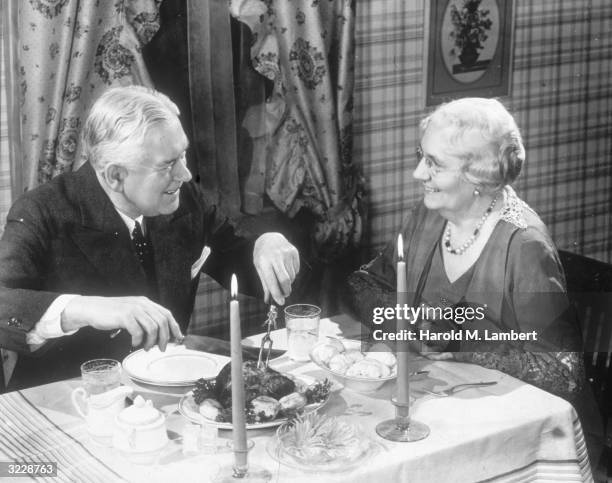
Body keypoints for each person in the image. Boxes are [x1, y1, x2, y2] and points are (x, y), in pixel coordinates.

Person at [347, 98, 603, 467]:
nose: (419, 173)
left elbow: (562, 371)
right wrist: (401, 319)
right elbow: (365, 284)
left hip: (528, 439)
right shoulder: (427, 214)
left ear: (478, 178)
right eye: (422, 155)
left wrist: (465, 345)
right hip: (443, 409)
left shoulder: (524, 246)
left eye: (434, 163)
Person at [0, 86, 300, 390]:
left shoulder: (184, 199)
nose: (184, 175)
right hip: (66, 398)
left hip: (164, 388)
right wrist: (90, 309)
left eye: (182, 155)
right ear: (115, 176)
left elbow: (236, 250)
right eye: (168, 165)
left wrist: (266, 243)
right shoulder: (42, 210)